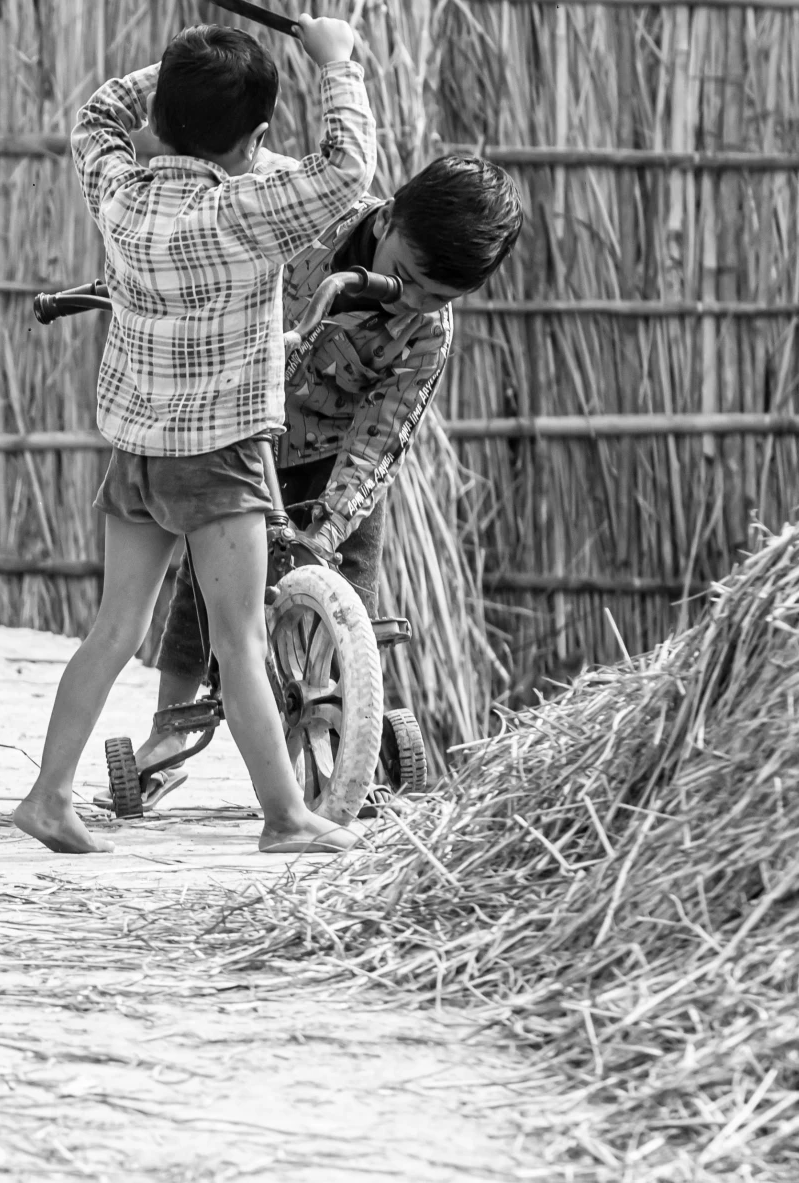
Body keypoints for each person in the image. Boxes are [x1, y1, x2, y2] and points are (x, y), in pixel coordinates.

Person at [10, 15, 376, 856]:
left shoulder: (121, 193)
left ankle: (48, 795)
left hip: (136, 449)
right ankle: (286, 817)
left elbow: (100, 114)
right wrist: (336, 64)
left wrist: (187, 71)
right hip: (221, 455)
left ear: (160, 119)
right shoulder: (249, 208)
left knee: (113, 627)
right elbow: (348, 169)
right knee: (239, 639)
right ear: (252, 141)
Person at [127, 156, 526, 805]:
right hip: (240, 425)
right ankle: (170, 730)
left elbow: (381, 436)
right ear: (389, 215)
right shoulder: (308, 221)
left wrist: (331, 526)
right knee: (207, 583)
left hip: (336, 453)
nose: (416, 302)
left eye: (440, 297)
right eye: (409, 279)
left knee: (351, 582)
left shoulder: (427, 333)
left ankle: (343, 741)